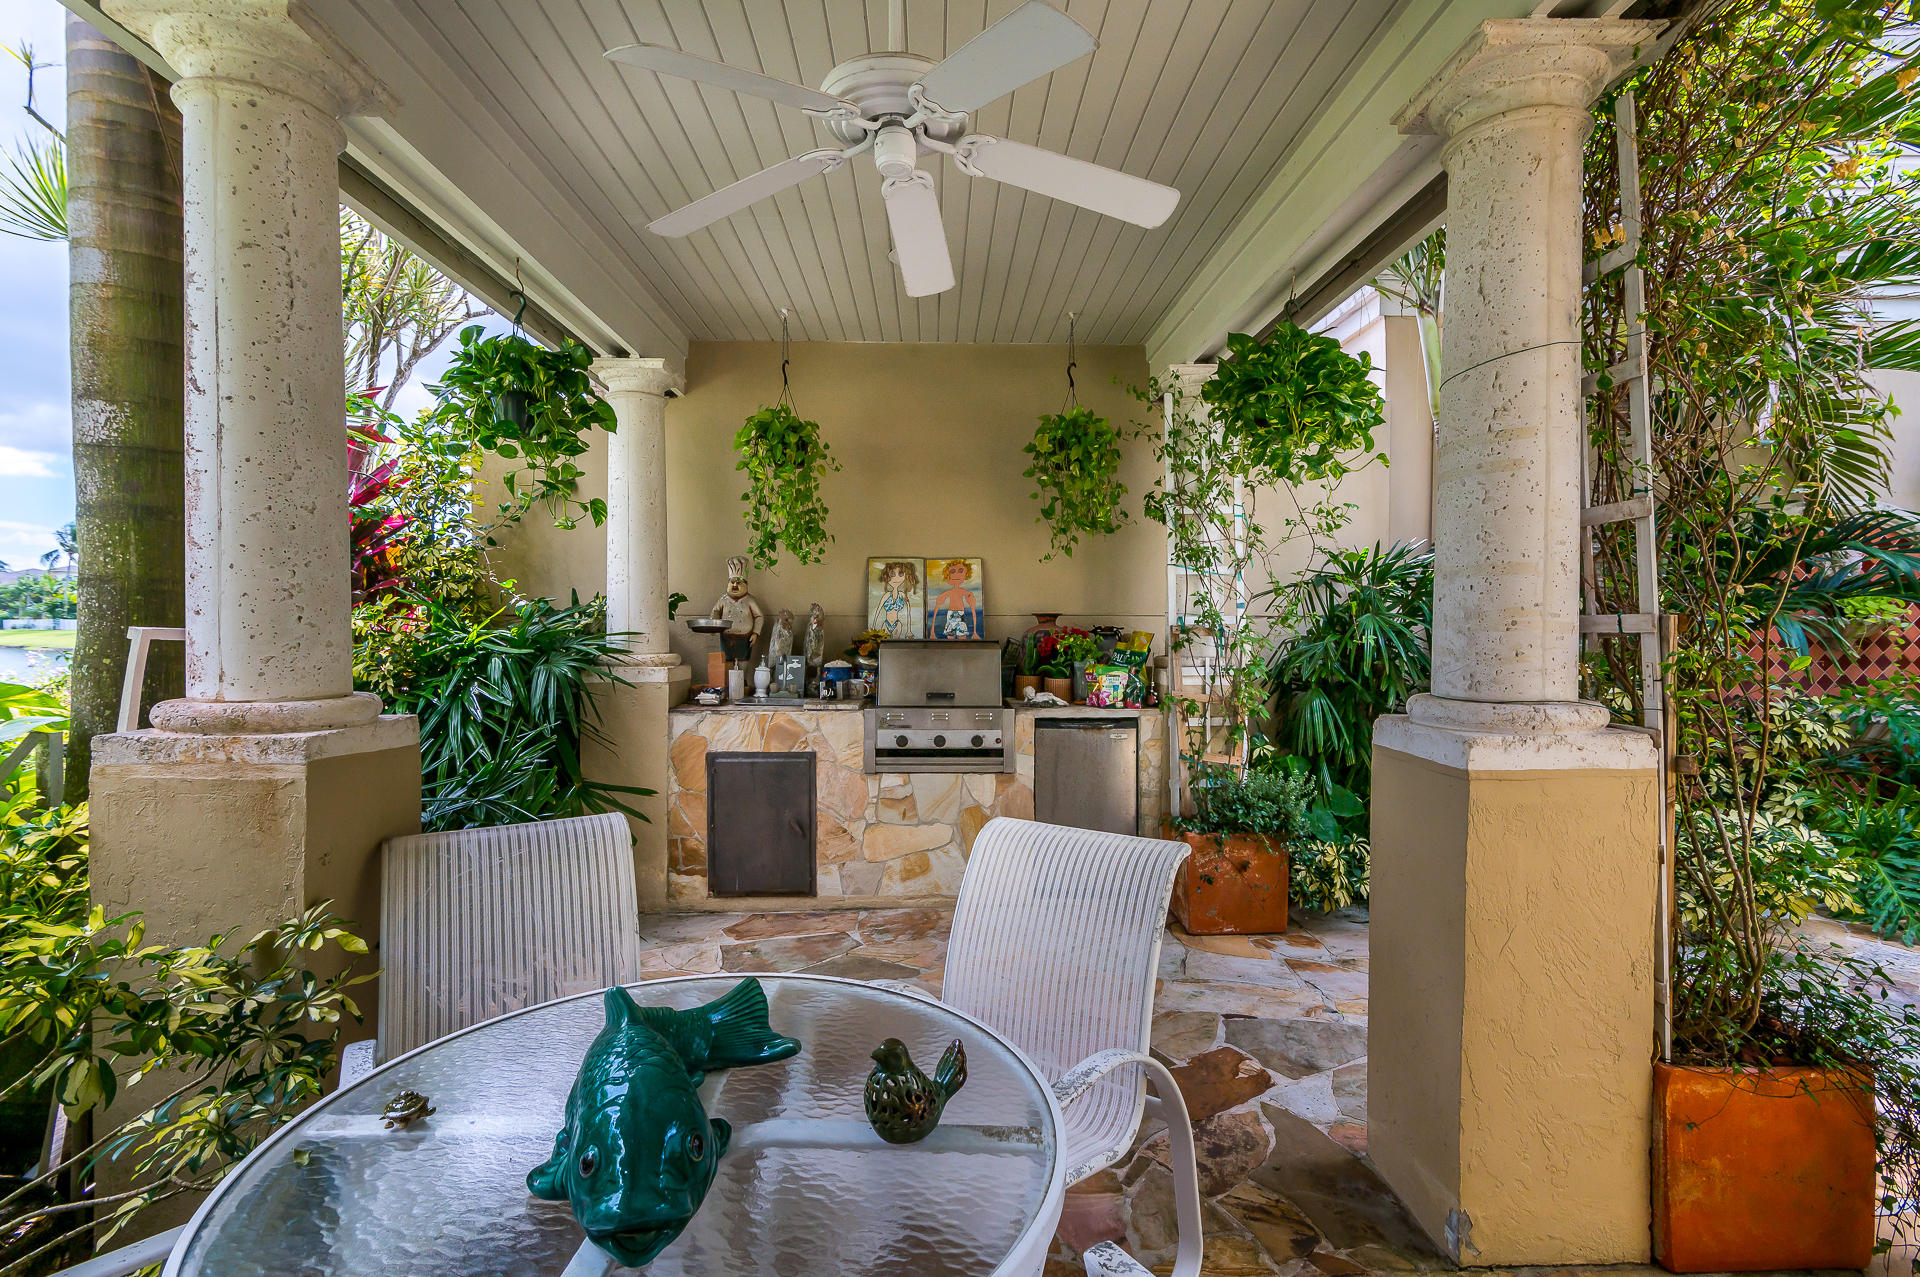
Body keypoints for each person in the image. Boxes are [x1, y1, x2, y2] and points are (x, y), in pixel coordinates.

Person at [928, 559, 983, 640]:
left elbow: (973, 611)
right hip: (951, 617)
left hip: (960, 616)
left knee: (962, 638)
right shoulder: (947, 593)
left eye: (960, 571)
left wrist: (975, 632)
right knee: (951, 638)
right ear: (948, 575)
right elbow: (936, 610)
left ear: (966, 574)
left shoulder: (966, 593)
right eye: (953, 571)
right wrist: (932, 632)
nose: (957, 575)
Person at [876, 560, 920, 639]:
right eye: (892, 574)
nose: (896, 578)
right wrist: (873, 629)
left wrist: (909, 631)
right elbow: (878, 610)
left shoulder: (903, 595)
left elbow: (908, 613)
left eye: (900, 574)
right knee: (884, 645)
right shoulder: (886, 595)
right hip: (886, 624)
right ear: (887, 576)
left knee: (896, 643)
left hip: (897, 624)